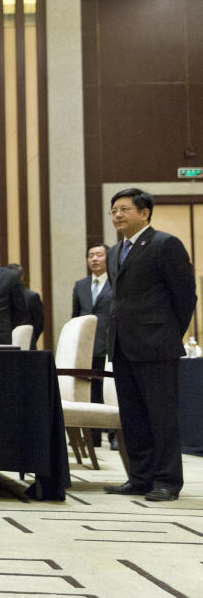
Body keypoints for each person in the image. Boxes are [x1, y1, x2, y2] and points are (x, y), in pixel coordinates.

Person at [103, 188, 196, 502]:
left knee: (162, 415)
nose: (117, 215)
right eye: (113, 210)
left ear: (144, 213)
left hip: (156, 344)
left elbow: (185, 296)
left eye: (124, 209)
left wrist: (169, 333)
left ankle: (168, 480)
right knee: (133, 416)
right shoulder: (115, 251)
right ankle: (139, 478)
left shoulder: (164, 244)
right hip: (122, 345)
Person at [71, 243, 114, 446]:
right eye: (90, 255)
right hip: (86, 347)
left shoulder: (116, 283)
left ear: (108, 258)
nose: (94, 259)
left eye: (99, 255)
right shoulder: (80, 285)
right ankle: (93, 438)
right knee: (90, 391)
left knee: (111, 392)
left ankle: (114, 436)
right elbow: (75, 317)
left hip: (109, 344)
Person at [7, 263, 44, 349]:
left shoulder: (31, 296)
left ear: (22, 277)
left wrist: (28, 337)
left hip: (27, 343)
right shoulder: (2, 296)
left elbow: (39, 323)